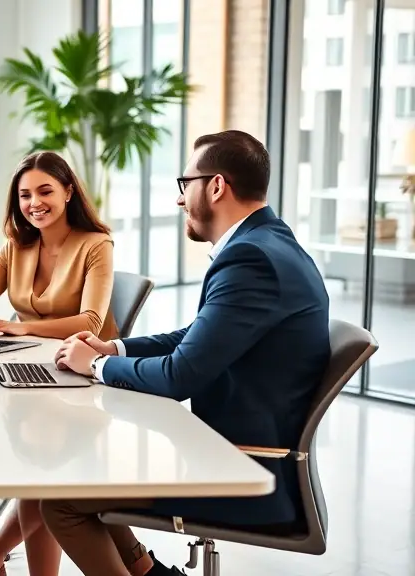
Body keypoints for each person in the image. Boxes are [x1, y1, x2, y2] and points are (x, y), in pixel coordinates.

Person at [47, 130, 331, 576]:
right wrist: (114, 347)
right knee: (76, 473)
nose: (181, 200)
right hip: (235, 452)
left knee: (62, 500)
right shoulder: (268, 243)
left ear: (216, 186)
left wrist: (98, 366)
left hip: (244, 469)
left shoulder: (250, 259)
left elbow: (181, 376)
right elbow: (197, 336)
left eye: (186, 183)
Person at [0, 151, 117, 576]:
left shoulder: (96, 245)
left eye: (44, 191)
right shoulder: (16, 247)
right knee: (33, 463)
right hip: (32, 373)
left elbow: (92, 321)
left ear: (69, 191)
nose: (34, 202)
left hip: (85, 378)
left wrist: (22, 329)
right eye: (24, 195)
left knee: (39, 464)